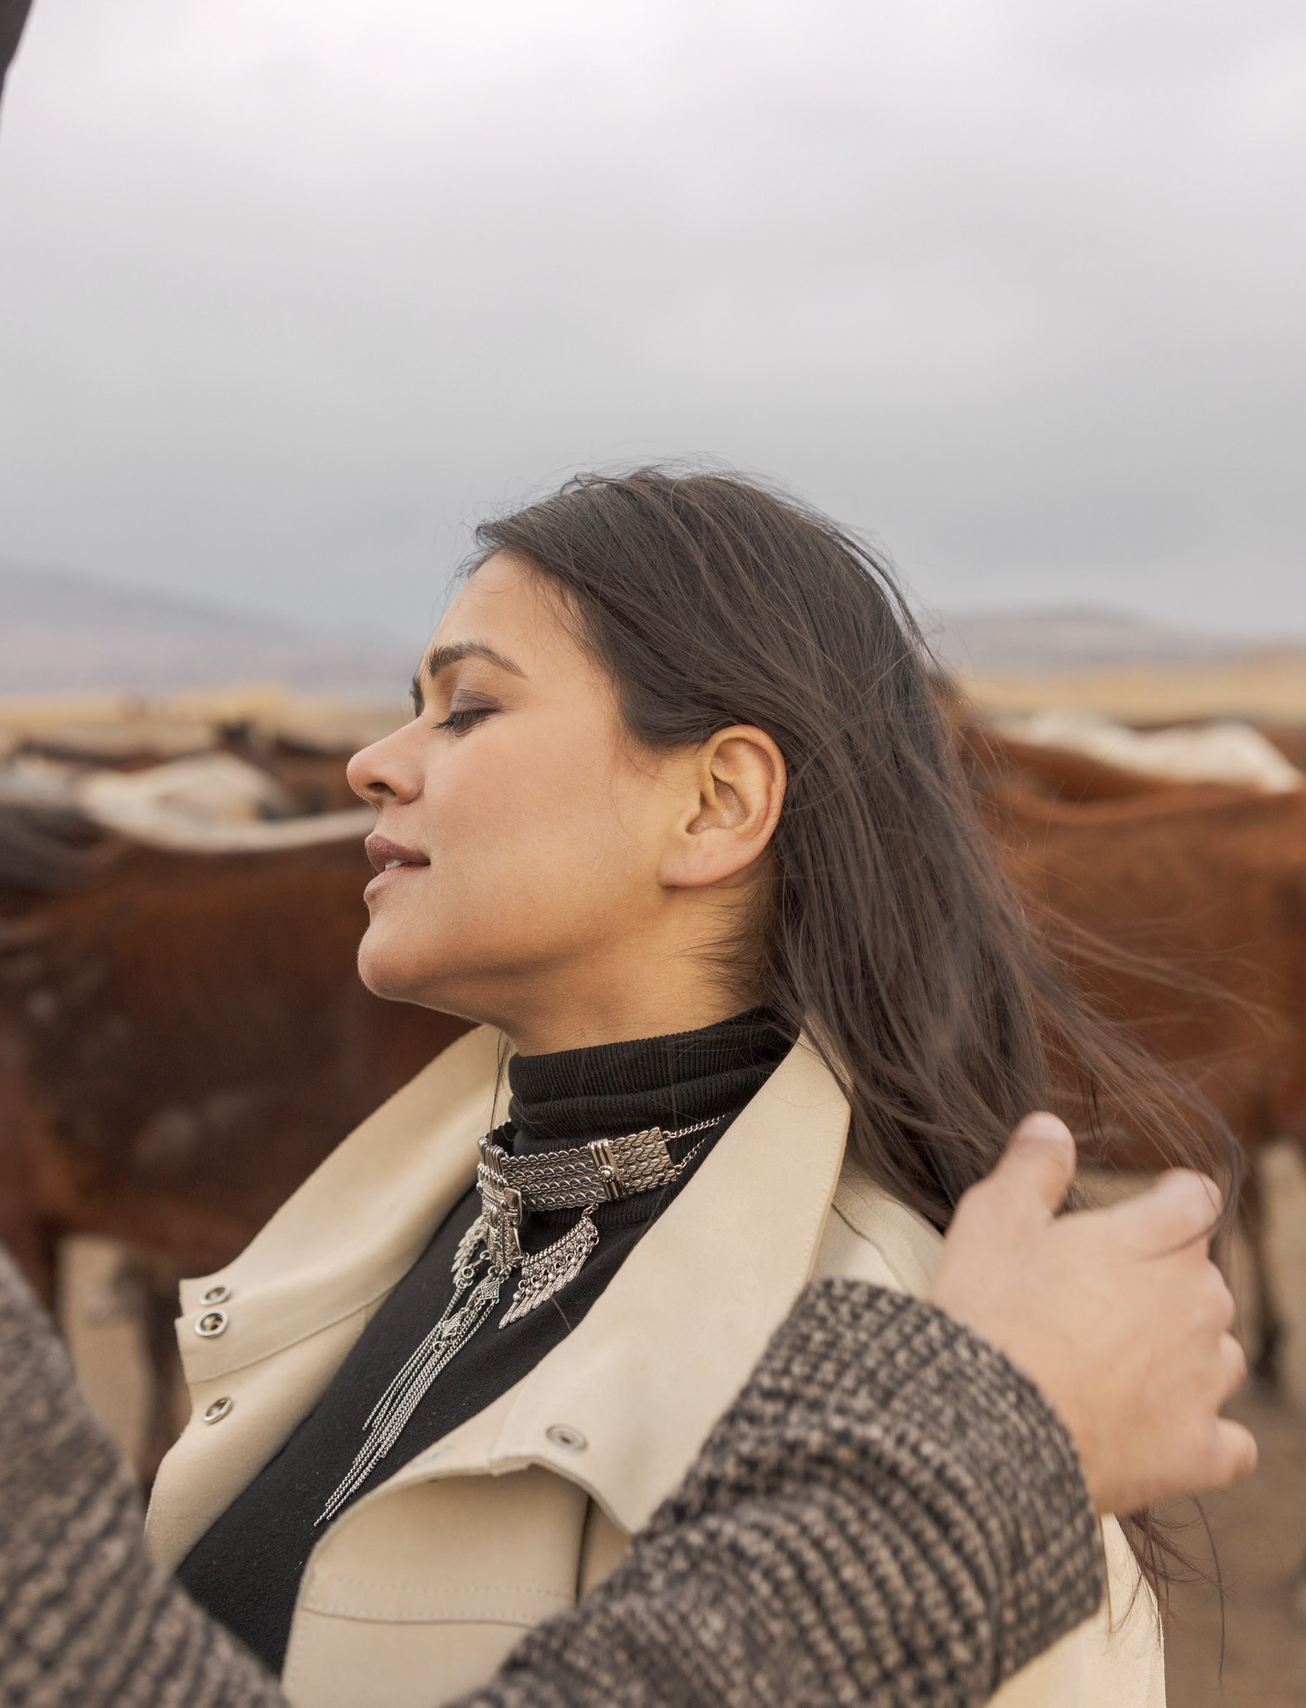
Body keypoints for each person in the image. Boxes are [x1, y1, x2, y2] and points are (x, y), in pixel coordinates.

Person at [0, 4, 1257, 1706]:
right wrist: (966, 1468)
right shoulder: (415, 1264)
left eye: (469, 709)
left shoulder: (897, 1328)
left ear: (719, 801)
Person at [150, 470, 1248, 1708]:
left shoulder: (940, 1371)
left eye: (465, 708)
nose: (370, 762)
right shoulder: (418, 1229)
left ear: (717, 803)